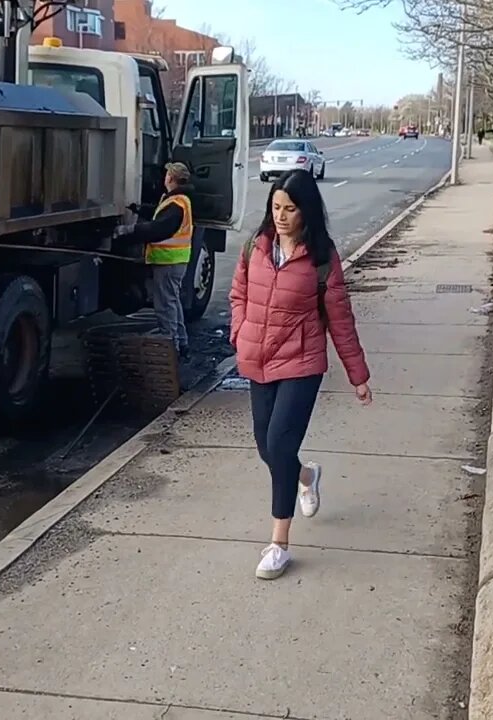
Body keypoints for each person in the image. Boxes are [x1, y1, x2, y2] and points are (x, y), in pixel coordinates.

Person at [229, 168, 372, 580]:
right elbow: (238, 294)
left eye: (290, 209)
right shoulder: (253, 249)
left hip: (301, 363)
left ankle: (279, 544)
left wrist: (357, 375)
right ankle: (306, 477)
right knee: (267, 448)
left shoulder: (322, 260)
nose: (281, 216)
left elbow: (341, 320)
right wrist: (239, 331)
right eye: (275, 207)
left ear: (306, 212)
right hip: (258, 360)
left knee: (279, 441)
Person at [118, 162, 194, 360]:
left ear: (170, 178)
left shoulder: (176, 203)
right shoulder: (177, 200)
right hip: (175, 261)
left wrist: (130, 231)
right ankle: (181, 341)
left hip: (168, 262)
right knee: (173, 302)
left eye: (167, 174)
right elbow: (157, 215)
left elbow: (158, 229)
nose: (164, 177)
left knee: (165, 305)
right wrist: (138, 209)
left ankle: (170, 345)